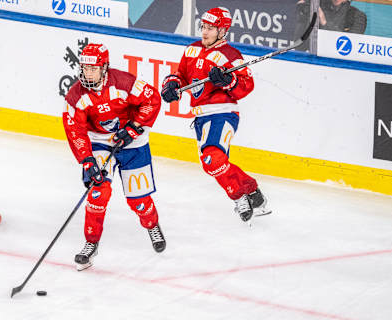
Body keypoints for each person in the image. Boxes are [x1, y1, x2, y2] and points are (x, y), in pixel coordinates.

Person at [160, 7, 270, 223]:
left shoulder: (231, 56)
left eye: (211, 28)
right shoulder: (191, 49)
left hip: (223, 113)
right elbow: (180, 74)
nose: (205, 32)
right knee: (211, 164)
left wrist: (228, 81)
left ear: (222, 31)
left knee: (212, 159)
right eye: (204, 27)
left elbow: (246, 85)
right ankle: (252, 193)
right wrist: (171, 85)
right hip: (201, 117)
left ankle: (240, 196)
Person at [63, 43, 165, 270]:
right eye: (84, 68)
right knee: (98, 190)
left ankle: (152, 225)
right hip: (99, 141)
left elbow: (152, 100)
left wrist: (133, 128)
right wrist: (87, 160)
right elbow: (75, 131)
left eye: (93, 68)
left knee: (138, 200)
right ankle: (91, 244)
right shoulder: (76, 95)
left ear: (104, 68)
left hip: (133, 142)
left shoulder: (124, 82)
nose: (87, 73)